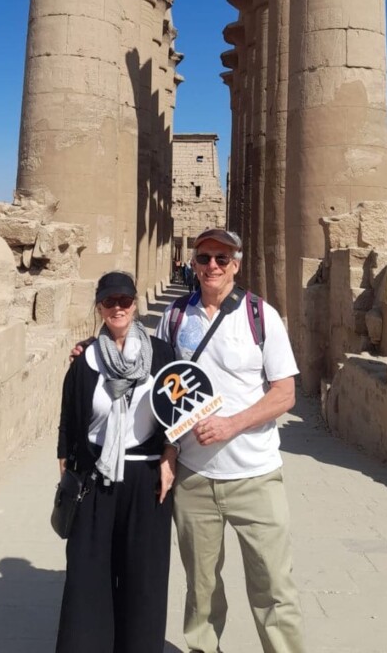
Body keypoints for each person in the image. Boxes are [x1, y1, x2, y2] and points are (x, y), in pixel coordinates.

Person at [155, 228, 305, 653]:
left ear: (236, 264)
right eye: (204, 258)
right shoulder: (175, 317)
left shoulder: (262, 316)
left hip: (255, 475)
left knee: (275, 587)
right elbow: (163, 390)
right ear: (194, 262)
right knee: (201, 590)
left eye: (222, 258)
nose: (213, 266)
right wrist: (88, 352)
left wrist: (232, 424)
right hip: (195, 475)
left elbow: (285, 392)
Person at [55, 270, 177, 653]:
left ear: (135, 304)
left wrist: (170, 458)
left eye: (124, 300)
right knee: (89, 574)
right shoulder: (85, 360)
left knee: (144, 576)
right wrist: (67, 473)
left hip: (146, 476)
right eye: (110, 302)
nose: (118, 308)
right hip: (95, 477)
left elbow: (177, 414)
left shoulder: (161, 354)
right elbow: (68, 424)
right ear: (100, 306)